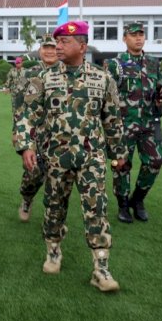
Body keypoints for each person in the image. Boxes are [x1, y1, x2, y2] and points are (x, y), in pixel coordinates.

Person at [14, 20, 126, 293]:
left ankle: (101, 267)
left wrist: (118, 153)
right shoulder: (43, 78)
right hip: (55, 157)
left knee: (97, 209)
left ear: (83, 46)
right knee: (54, 207)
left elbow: (112, 120)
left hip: (91, 157)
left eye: (65, 42)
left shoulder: (103, 79)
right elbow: (26, 115)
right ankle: (53, 250)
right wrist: (26, 145)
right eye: (57, 41)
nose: (59, 46)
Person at [105, 22, 162, 223]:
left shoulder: (153, 63)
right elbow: (106, 94)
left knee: (156, 161)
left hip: (149, 123)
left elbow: (160, 84)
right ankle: (123, 204)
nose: (138, 38)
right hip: (123, 124)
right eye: (133, 35)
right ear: (125, 39)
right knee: (121, 165)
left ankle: (137, 200)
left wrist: (160, 94)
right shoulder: (115, 64)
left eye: (141, 34)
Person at [15, 33, 58, 222]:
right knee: (34, 172)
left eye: (53, 47)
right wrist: (18, 132)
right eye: (45, 47)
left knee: (58, 175)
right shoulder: (29, 74)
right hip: (36, 132)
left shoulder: (66, 72)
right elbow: (18, 103)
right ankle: (27, 198)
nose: (49, 51)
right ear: (40, 50)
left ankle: (54, 216)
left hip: (59, 134)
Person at [6, 56, 26, 121]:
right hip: (14, 91)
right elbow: (9, 79)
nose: (18, 64)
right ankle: (14, 117)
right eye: (17, 63)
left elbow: (27, 80)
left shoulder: (25, 71)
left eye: (19, 63)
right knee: (14, 104)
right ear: (15, 63)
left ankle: (23, 117)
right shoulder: (12, 71)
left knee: (23, 104)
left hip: (23, 91)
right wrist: (7, 87)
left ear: (22, 63)